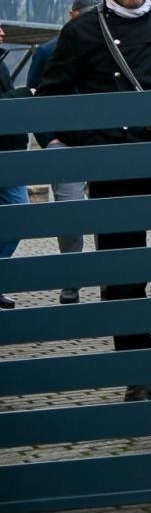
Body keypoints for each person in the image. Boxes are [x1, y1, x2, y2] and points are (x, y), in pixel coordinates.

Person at [33, 0, 151, 399]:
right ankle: (139, 377)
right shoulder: (81, 31)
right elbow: (53, 103)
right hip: (116, 175)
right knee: (124, 282)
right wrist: (105, 138)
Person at [26, 0, 102, 303]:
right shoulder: (48, 51)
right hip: (66, 143)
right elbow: (33, 97)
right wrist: (50, 139)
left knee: (113, 211)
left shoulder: (110, 49)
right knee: (69, 214)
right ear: (72, 17)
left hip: (104, 142)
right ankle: (72, 278)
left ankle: (119, 280)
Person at [1, 22, 36, 307]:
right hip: (5, 156)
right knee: (19, 214)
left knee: (17, 217)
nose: (2, 33)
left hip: (10, 154)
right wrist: (28, 93)